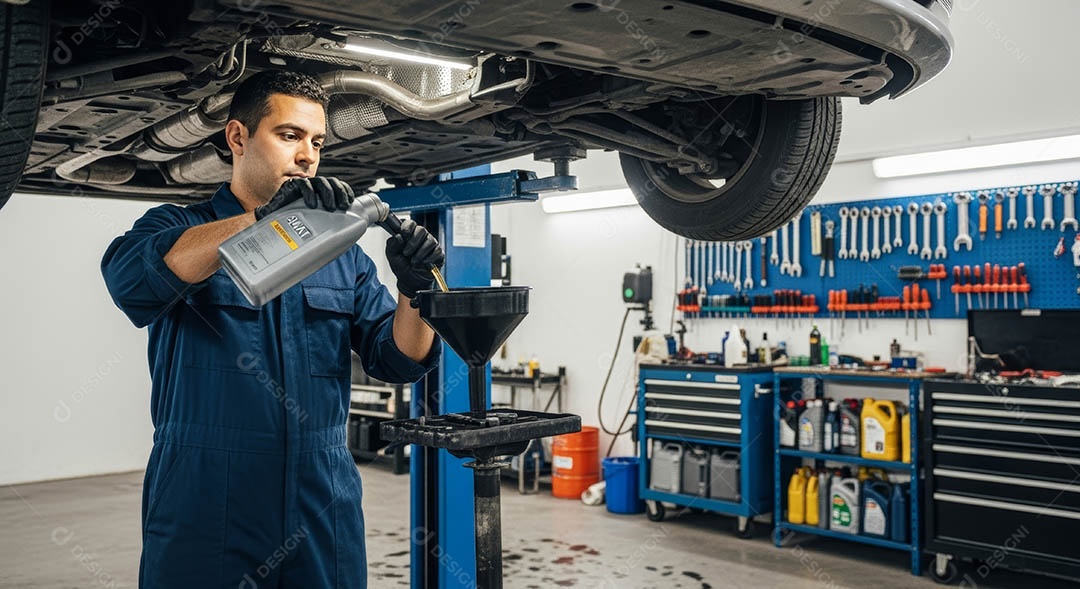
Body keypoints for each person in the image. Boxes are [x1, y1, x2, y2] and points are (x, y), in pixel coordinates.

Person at [100, 70, 444, 588]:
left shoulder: (342, 256)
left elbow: (398, 360)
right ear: (238, 137)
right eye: (289, 136)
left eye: (317, 141)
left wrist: (415, 291)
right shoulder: (176, 227)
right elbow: (131, 282)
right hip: (205, 498)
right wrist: (262, 222)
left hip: (320, 498)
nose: (307, 155)